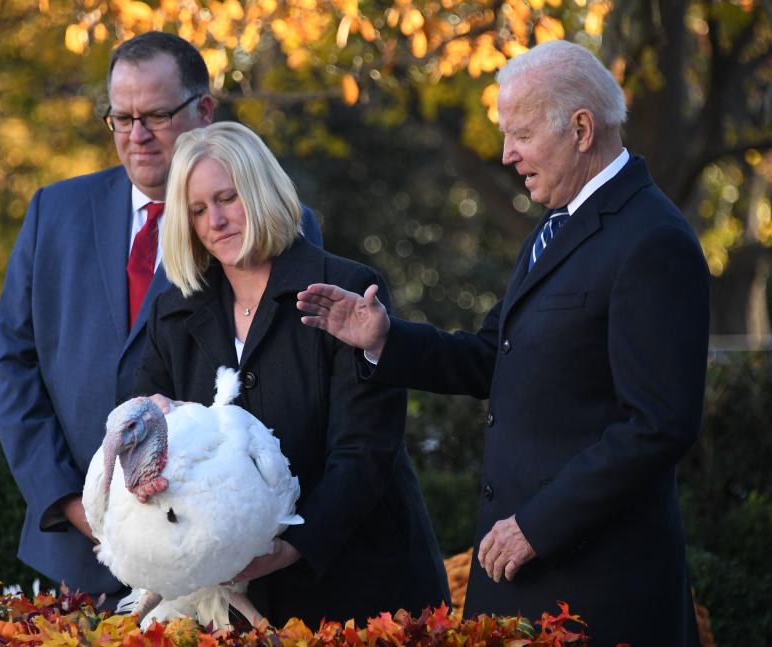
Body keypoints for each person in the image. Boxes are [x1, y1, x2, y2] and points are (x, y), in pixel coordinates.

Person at [296, 40, 709, 646]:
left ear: (581, 128)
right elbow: (496, 356)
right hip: (526, 585)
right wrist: (385, 339)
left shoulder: (652, 240)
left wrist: (537, 527)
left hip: (597, 594)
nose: (507, 154)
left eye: (519, 135)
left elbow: (657, 425)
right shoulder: (557, 226)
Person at [0, 32, 322, 604]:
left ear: (204, 109)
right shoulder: (53, 212)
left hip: (219, 561)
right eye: (121, 118)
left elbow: (291, 394)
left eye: (157, 116)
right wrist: (77, 504)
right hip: (79, 552)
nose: (137, 136)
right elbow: (15, 373)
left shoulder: (265, 225)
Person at [124, 121, 450, 628]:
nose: (215, 220)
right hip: (231, 607)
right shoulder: (173, 313)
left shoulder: (346, 288)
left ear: (260, 190)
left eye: (227, 198)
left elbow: (366, 451)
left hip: (360, 594)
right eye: (197, 210)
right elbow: (140, 412)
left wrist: (293, 545)